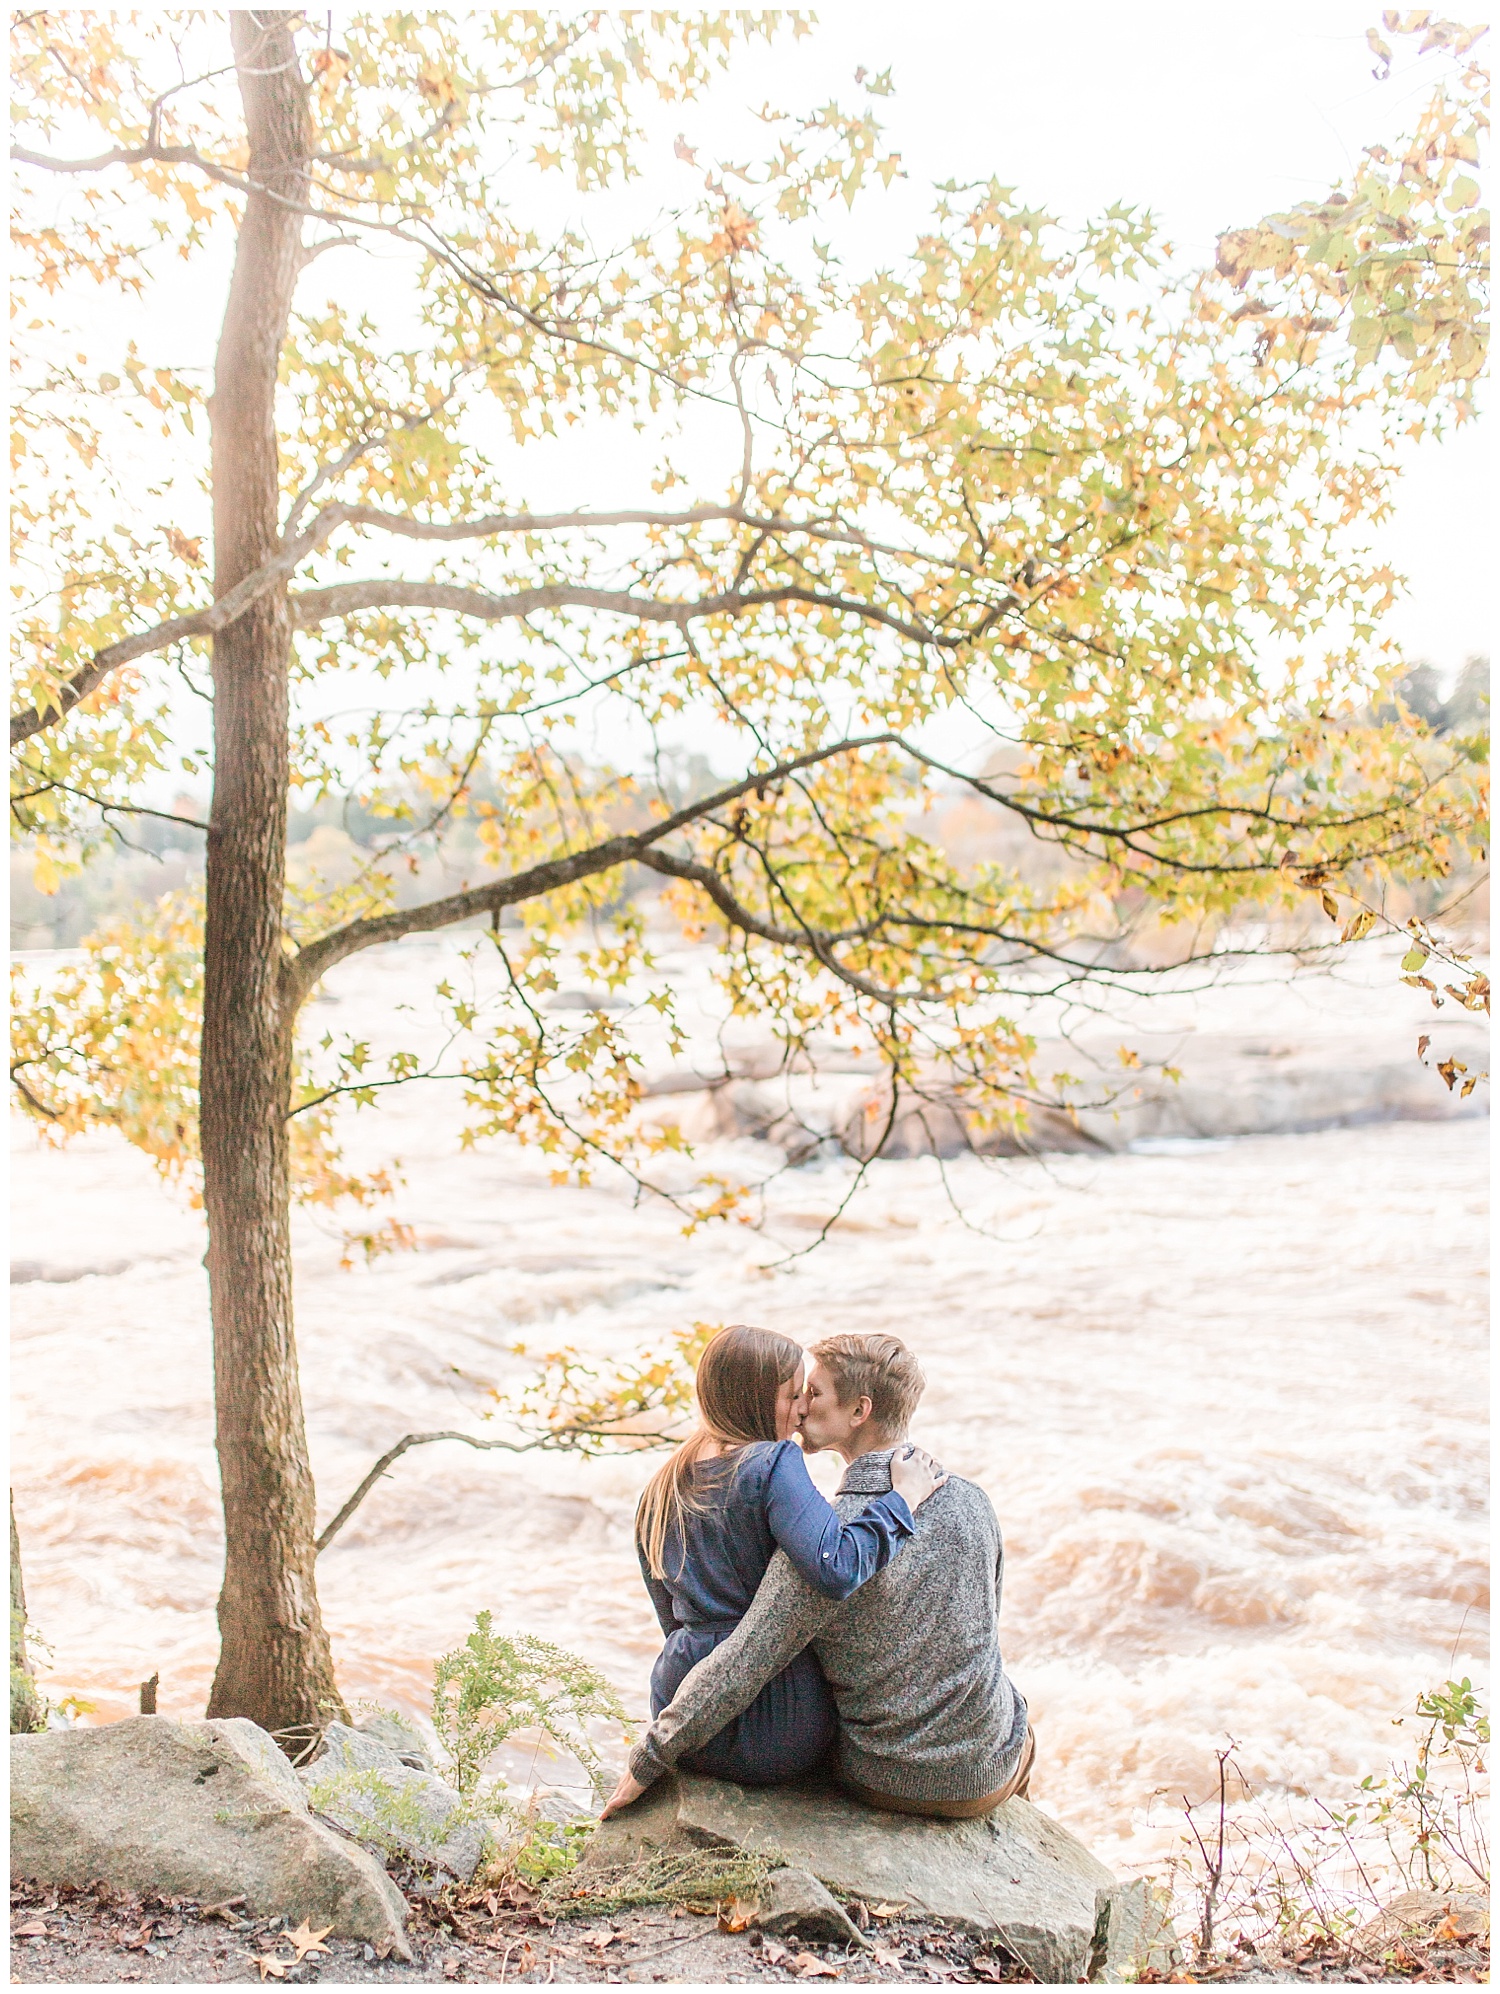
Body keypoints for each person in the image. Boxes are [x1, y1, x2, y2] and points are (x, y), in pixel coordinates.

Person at [603, 1331, 1034, 1820]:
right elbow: (982, 1632)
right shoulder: (974, 1501)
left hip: (885, 1778)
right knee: (1015, 1711)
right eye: (798, 1393)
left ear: (859, 1412)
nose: (801, 1408)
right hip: (990, 1768)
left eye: (813, 1392)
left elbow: (741, 1654)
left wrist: (651, 1755)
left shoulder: (824, 1536)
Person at [632, 1323, 945, 1787]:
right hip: (774, 1723)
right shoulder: (772, 1461)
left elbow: (667, 1609)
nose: (801, 1411)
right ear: (753, 1398)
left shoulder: (663, 1482)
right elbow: (837, 1567)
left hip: (678, 1699)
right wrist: (902, 1501)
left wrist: (696, 1683)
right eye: (791, 1395)